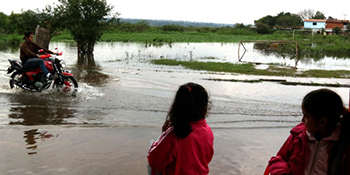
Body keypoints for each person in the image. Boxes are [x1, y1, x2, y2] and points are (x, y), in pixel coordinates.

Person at [268, 88, 350, 175]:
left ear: (322, 121)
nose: (302, 120)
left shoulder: (345, 146)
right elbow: (280, 158)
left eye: (306, 116)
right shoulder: (297, 137)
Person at [147, 82, 214, 175]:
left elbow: (155, 163)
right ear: (204, 107)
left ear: (177, 107)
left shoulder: (174, 135)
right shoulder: (207, 131)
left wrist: (164, 134)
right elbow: (207, 157)